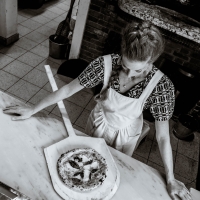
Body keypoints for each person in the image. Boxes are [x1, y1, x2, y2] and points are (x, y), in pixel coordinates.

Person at [3, 21, 192, 200]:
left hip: (127, 135)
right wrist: (33, 109)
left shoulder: (162, 86)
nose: (130, 74)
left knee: (110, 171)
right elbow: (68, 90)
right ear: (122, 52)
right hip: (98, 122)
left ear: (152, 60)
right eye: (126, 67)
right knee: (86, 164)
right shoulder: (105, 64)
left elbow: (163, 137)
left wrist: (170, 179)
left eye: (138, 71)